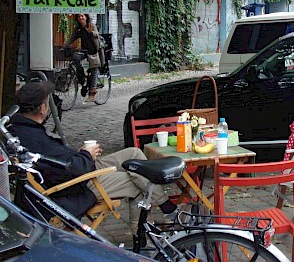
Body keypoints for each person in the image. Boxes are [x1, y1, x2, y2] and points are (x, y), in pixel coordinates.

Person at [10, 81, 177, 230]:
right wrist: (85, 155)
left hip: (79, 169)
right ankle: (142, 234)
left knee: (134, 153)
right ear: (43, 108)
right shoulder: (34, 138)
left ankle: (164, 205)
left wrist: (84, 154)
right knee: (139, 182)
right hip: (79, 184)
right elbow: (71, 168)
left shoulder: (21, 131)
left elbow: (58, 161)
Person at [63, 13, 101, 102]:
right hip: (84, 50)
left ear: (86, 17)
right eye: (79, 16)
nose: (81, 17)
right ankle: (82, 77)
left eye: (82, 16)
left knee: (94, 69)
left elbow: (97, 34)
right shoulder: (78, 29)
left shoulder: (91, 25)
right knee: (75, 58)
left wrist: (91, 32)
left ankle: (92, 93)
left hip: (93, 51)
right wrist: (64, 46)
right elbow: (71, 38)